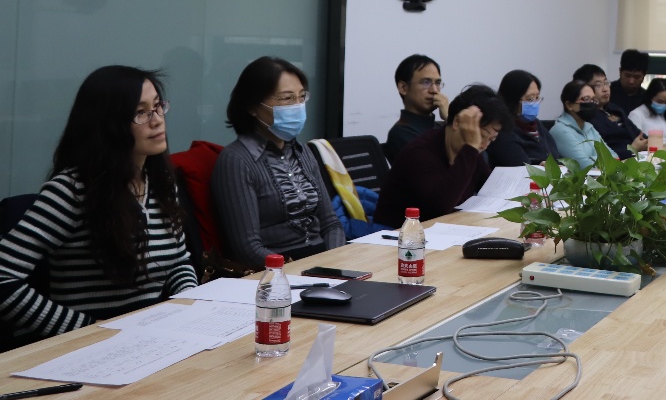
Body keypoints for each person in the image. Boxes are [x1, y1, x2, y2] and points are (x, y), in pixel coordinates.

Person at [0, 66, 197, 342]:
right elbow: (3, 278)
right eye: (140, 112)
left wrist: (189, 307)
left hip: (151, 339)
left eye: (157, 106)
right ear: (107, 124)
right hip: (89, 350)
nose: (156, 120)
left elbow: (178, 261)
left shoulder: (161, 182)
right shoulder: (71, 191)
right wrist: (87, 330)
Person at [212, 57, 345, 269]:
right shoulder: (236, 160)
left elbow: (331, 223)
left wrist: (335, 261)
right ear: (252, 107)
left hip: (323, 260)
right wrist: (291, 270)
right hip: (277, 268)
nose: (297, 106)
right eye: (286, 99)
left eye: (301, 97)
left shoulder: (302, 151)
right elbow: (247, 247)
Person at [375, 85, 507, 226]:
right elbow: (441, 206)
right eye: (481, 135)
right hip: (399, 234)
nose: (484, 145)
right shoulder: (420, 153)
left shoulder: (470, 153)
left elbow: (491, 190)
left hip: (447, 230)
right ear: (457, 122)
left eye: (491, 139)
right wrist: (470, 148)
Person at [573, 64, 647, 159]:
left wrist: (647, 142)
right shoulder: (585, 117)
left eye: (606, 83)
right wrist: (631, 149)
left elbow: (639, 134)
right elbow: (596, 154)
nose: (605, 89)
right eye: (598, 85)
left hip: (638, 157)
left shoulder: (614, 109)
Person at [486, 70, 558, 167]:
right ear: (512, 100)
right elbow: (519, 165)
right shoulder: (503, 130)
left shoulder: (536, 124)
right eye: (530, 99)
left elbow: (555, 157)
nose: (535, 103)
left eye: (537, 98)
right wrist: (539, 164)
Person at [385, 54, 449, 162]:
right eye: (426, 82)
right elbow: (438, 168)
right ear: (403, 88)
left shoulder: (441, 126)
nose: (434, 90)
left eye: (438, 83)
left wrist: (450, 119)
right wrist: (450, 120)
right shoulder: (401, 133)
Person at [550, 80, 617, 169]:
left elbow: (614, 157)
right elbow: (584, 166)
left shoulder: (589, 127)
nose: (591, 103)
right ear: (569, 105)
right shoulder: (561, 130)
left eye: (593, 100)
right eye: (586, 99)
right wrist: (599, 159)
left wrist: (592, 158)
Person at [608, 48, 651, 115]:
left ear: (644, 75)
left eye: (637, 77)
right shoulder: (607, 93)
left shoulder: (647, 98)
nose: (631, 81)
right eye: (627, 76)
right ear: (620, 71)